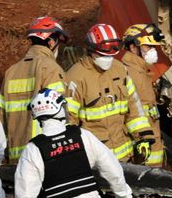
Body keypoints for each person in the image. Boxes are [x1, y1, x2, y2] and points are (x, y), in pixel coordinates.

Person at [62, 23, 155, 163]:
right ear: (91, 49)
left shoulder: (120, 69)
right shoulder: (75, 77)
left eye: (112, 53)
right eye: (103, 53)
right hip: (96, 161)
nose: (108, 58)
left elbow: (134, 109)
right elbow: (68, 122)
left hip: (125, 158)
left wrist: (143, 138)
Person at [0, 16, 70, 164]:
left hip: (16, 157)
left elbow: (1, 117)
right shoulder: (50, 68)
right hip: (45, 155)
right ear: (51, 41)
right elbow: (61, 113)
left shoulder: (11, 72)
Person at [120, 23, 166, 168]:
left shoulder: (142, 72)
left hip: (152, 144)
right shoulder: (128, 74)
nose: (153, 51)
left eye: (154, 47)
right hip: (144, 151)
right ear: (134, 47)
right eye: (148, 47)